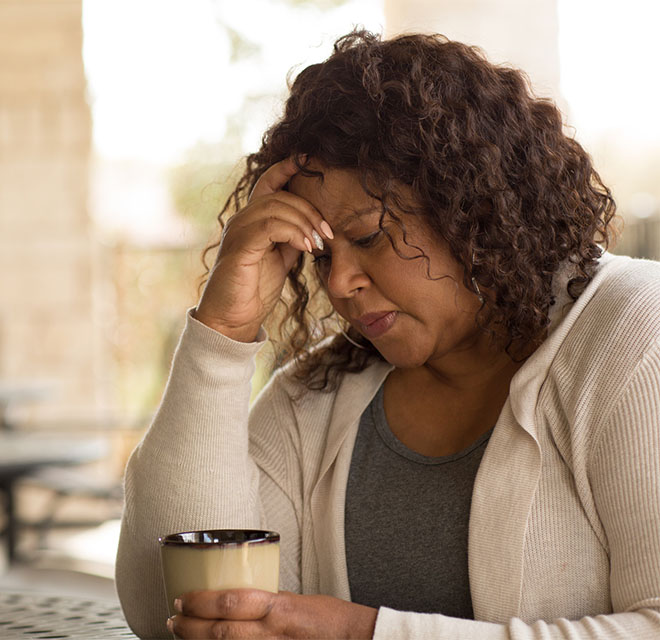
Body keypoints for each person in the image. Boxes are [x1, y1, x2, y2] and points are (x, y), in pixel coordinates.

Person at [115, 30, 660, 639]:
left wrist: (362, 633)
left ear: (468, 206)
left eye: (370, 236)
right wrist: (223, 334)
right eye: (320, 255)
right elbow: (168, 609)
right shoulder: (317, 398)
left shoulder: (633, 335)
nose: (341, 282)